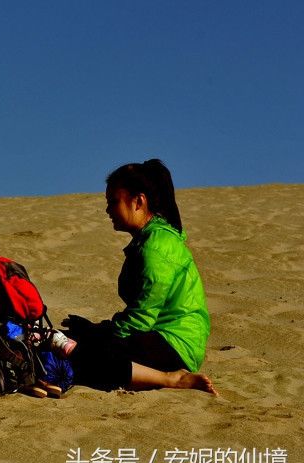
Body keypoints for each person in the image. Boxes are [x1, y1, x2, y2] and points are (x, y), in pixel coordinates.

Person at [57, 159, 217, 395]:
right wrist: (95, 330)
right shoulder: (150, 240)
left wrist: (100, 335)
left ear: (138, 201)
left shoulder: (156, 248)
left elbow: (141, 318)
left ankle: (171, 379)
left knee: (83, 356)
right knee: (74, 344)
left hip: (174, 345)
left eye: (113, 202)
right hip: (158, 338)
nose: (108, 210)